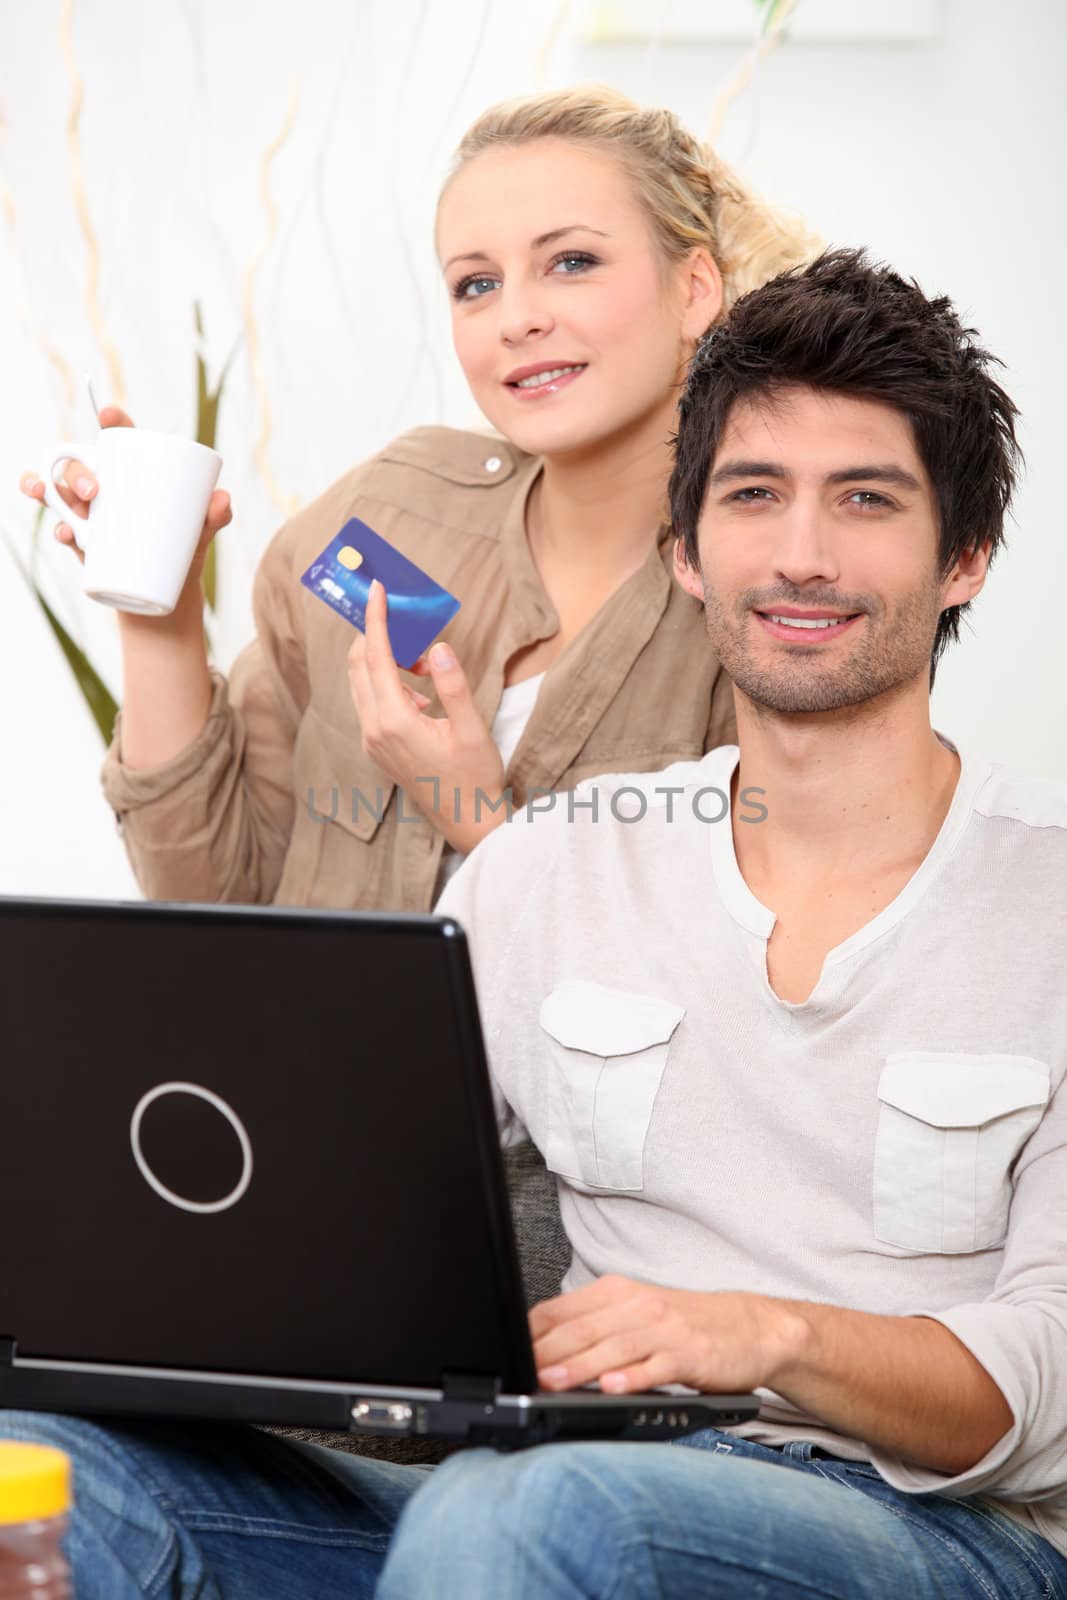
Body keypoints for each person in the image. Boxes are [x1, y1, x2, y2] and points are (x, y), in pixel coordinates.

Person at [3, 249, 1064, 1598]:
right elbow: (329, 1192)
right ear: (686, 554)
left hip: (917, 1531)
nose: (799, 554)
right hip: (540, 1488)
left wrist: (761, 1334)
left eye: (863, 499)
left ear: (960, 556)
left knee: (523, 1515)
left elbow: (1036, 1383)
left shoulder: (1046, 904)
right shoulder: (549, 869)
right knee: (49, 1467)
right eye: (752, 497)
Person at [19, 85, 818, 910]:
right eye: (475, 284)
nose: (515, 319)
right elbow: (214, 894)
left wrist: (481, 822)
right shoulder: (383, 516)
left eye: (570, 262)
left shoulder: (777, 600)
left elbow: (751, 986)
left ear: (693, 289)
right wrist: (160, 612)